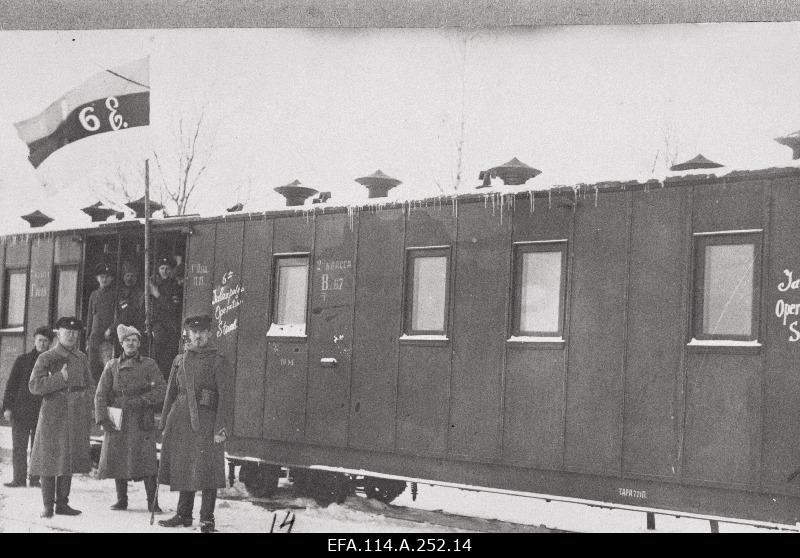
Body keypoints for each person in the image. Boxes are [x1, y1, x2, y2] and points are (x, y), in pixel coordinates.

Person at [158, 314, 231, 533]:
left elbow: (226, 397)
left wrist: (221, 428)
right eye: (194, 332)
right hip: (181, 420)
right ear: (188, 334)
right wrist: (163, 423)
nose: (198, 336)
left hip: (207, 422)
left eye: (202, 332)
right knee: (184, 465)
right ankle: (183, 514)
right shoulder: (180, 360)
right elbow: (170, 393)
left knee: (208, 470)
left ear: (210, 334)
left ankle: (207, 519)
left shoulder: (218, 360)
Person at [95, 324, 166, 512]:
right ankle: (122, 499)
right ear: (121, 344)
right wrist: (103, 418)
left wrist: (142, 400)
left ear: (139, 344)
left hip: (141, 418)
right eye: (128, 341)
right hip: (118, 417)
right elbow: (101, 394)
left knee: (147, 461)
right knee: (118, 456)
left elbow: (161, 389)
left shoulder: (149, 364)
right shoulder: (112, 366)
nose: (131, 344)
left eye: (135, 340)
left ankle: (153, 502)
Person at [28, 316, 94, 518]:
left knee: (68, 459)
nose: (72, 335)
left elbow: (90, 384)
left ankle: (62, 504)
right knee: (49, 459)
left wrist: (84, 400)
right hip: (52, 414)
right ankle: (48, 506)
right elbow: (34, 385)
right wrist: (59, 378)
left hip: (75, 414)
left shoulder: (81, 357)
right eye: (67, 332)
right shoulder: (47, 357)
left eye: (75, 333)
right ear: (58, 333)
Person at [2, 326, 53, 488]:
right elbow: (11, 385)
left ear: (50, 344)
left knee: (39, 446)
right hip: (20, 410)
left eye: (45, 341)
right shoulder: (22, 360)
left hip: (42, 412)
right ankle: (19, 478)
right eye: (39, 340)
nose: (42, 344)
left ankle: (35, 478)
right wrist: (7, 408)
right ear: (34, 340)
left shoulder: (52, 364)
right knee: (19, 446)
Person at [149, 256, 183, 377]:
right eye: (162, 268)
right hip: (157, 328)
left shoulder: (175, 287)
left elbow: (172, 307)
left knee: (167, 361)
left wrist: (157, 294)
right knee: (155, 359)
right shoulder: (155, 284)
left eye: (167, 268)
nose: (164, 271)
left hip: (170, 328)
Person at [86, 263, 117, 384]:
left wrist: (111, 329)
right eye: (101, 277)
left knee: (108, 371)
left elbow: (120, 316)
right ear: (97, 278)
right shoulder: (94, 295)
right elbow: (90, 317)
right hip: (94, 339)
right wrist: (88, 339)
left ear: (111, 279)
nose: (104, 279)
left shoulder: (115, 294)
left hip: (107, 340)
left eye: (107, 277)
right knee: (93, 371)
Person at [113, 261, 146, 354]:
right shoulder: (119, 293)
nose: (129, 278)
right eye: (127, 276)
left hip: (136, 328)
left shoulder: (140, 293)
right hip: (121, 328)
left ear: (136, 278)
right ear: (123, 277)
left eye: (132, 276)